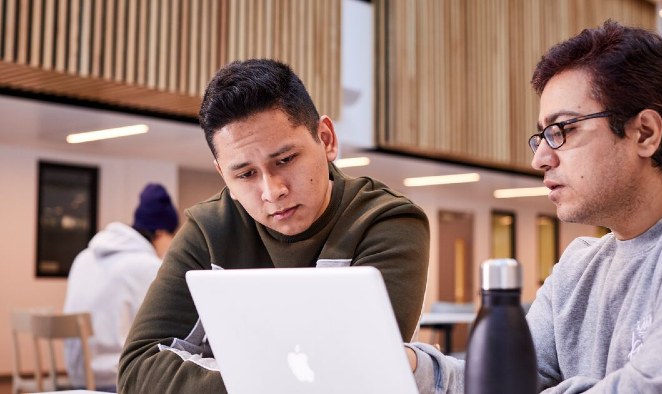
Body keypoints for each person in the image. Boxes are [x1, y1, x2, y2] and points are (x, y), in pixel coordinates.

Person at [408, 20, 662, 393]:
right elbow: (500, 379)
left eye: (563, 129)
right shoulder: (578, 268)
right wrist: (410, 365)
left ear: (644, 132)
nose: (540, 159)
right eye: (543, 136)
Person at [118, 59, 430, 392]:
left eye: (285, 160)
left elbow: (357, 376)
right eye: (246, 174)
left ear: (326, 140)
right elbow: (139, 370)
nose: (272, 191)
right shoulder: (209, 229)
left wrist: (237, 373)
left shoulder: (386, 222)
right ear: (223, 174)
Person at [63, 183, 179, 391]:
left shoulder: (84, 257)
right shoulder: (147, 266)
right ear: (161, 232)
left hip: (77, 374)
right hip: (118, 378)